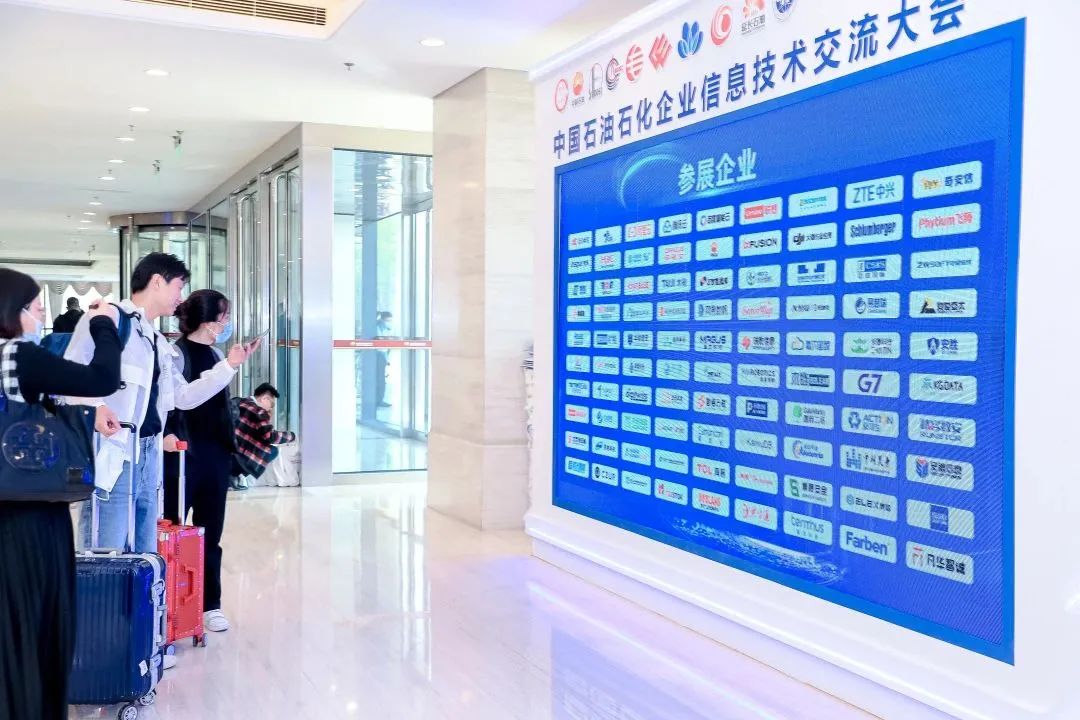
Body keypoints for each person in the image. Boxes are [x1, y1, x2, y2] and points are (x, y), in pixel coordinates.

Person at [64, 253, 257, 557]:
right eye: (178, 287)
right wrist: (96, 406)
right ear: (157, 281)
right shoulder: (108, 319)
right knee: (105, 554)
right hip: (116, 455)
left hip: (149, 458)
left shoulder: (156, 341)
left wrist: (229, 366)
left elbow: (183, 397)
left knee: (145, 555)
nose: (180, 298)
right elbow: (69, 375)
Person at [0, 268, 122, 720]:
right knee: (36, 625)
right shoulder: (18, 355)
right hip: (28, 516)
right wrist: (105, 324)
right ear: (13, 312)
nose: (40, 317)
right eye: (36, 308)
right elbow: (101, 378)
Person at [162, 290, 252, 634]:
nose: (226, 322)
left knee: (210, 534)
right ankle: (168, 604)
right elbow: (178, 400)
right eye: (223, 316)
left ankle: (210, 604)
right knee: (171, 530)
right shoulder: (176, 354)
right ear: (207, 319)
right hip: (183, 455)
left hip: (215, 455)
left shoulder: (216, 353)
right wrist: (228, 366)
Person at [230, 383, 297, 490]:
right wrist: (291, 436)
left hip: (227, 450)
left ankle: (231, 475)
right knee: (273, 450)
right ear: (264, 398)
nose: (271, 408)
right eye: (272, 404)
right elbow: (270, 437)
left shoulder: (240, 402)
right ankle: (234, 474)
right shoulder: (258, 411)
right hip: (238, 456)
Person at [375, 311, 393, 408]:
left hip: (383, 354)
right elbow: (380, 343)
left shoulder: (386, 328)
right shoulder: (377, 327)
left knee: (381, 378)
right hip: (378, 354)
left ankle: (379, 399)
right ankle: (378, 400)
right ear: (382, 319)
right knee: (379, 379)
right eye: (387, 320)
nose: (389, 323)